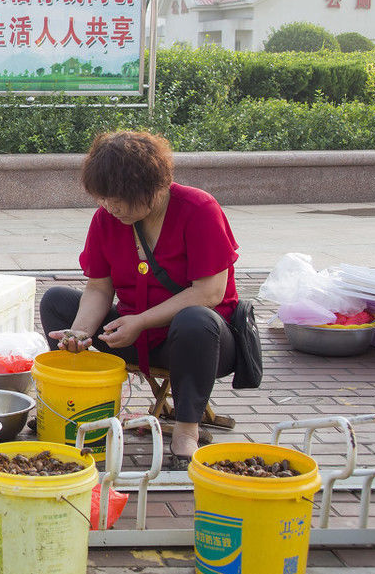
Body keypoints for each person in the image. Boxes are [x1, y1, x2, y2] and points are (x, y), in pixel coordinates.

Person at [40, 131, 240, 467]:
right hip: (134, 335)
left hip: (201, 343)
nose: (110, 207)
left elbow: (210, 292)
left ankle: (187, 430)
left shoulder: (199, 209)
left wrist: (142, 321)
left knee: (195, 318)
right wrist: (80, 332)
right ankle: (78, 406)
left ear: (153, 187)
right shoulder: (107, 219)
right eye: (104, 198)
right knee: (55, 301)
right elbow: (99, 288)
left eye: (119, 198)